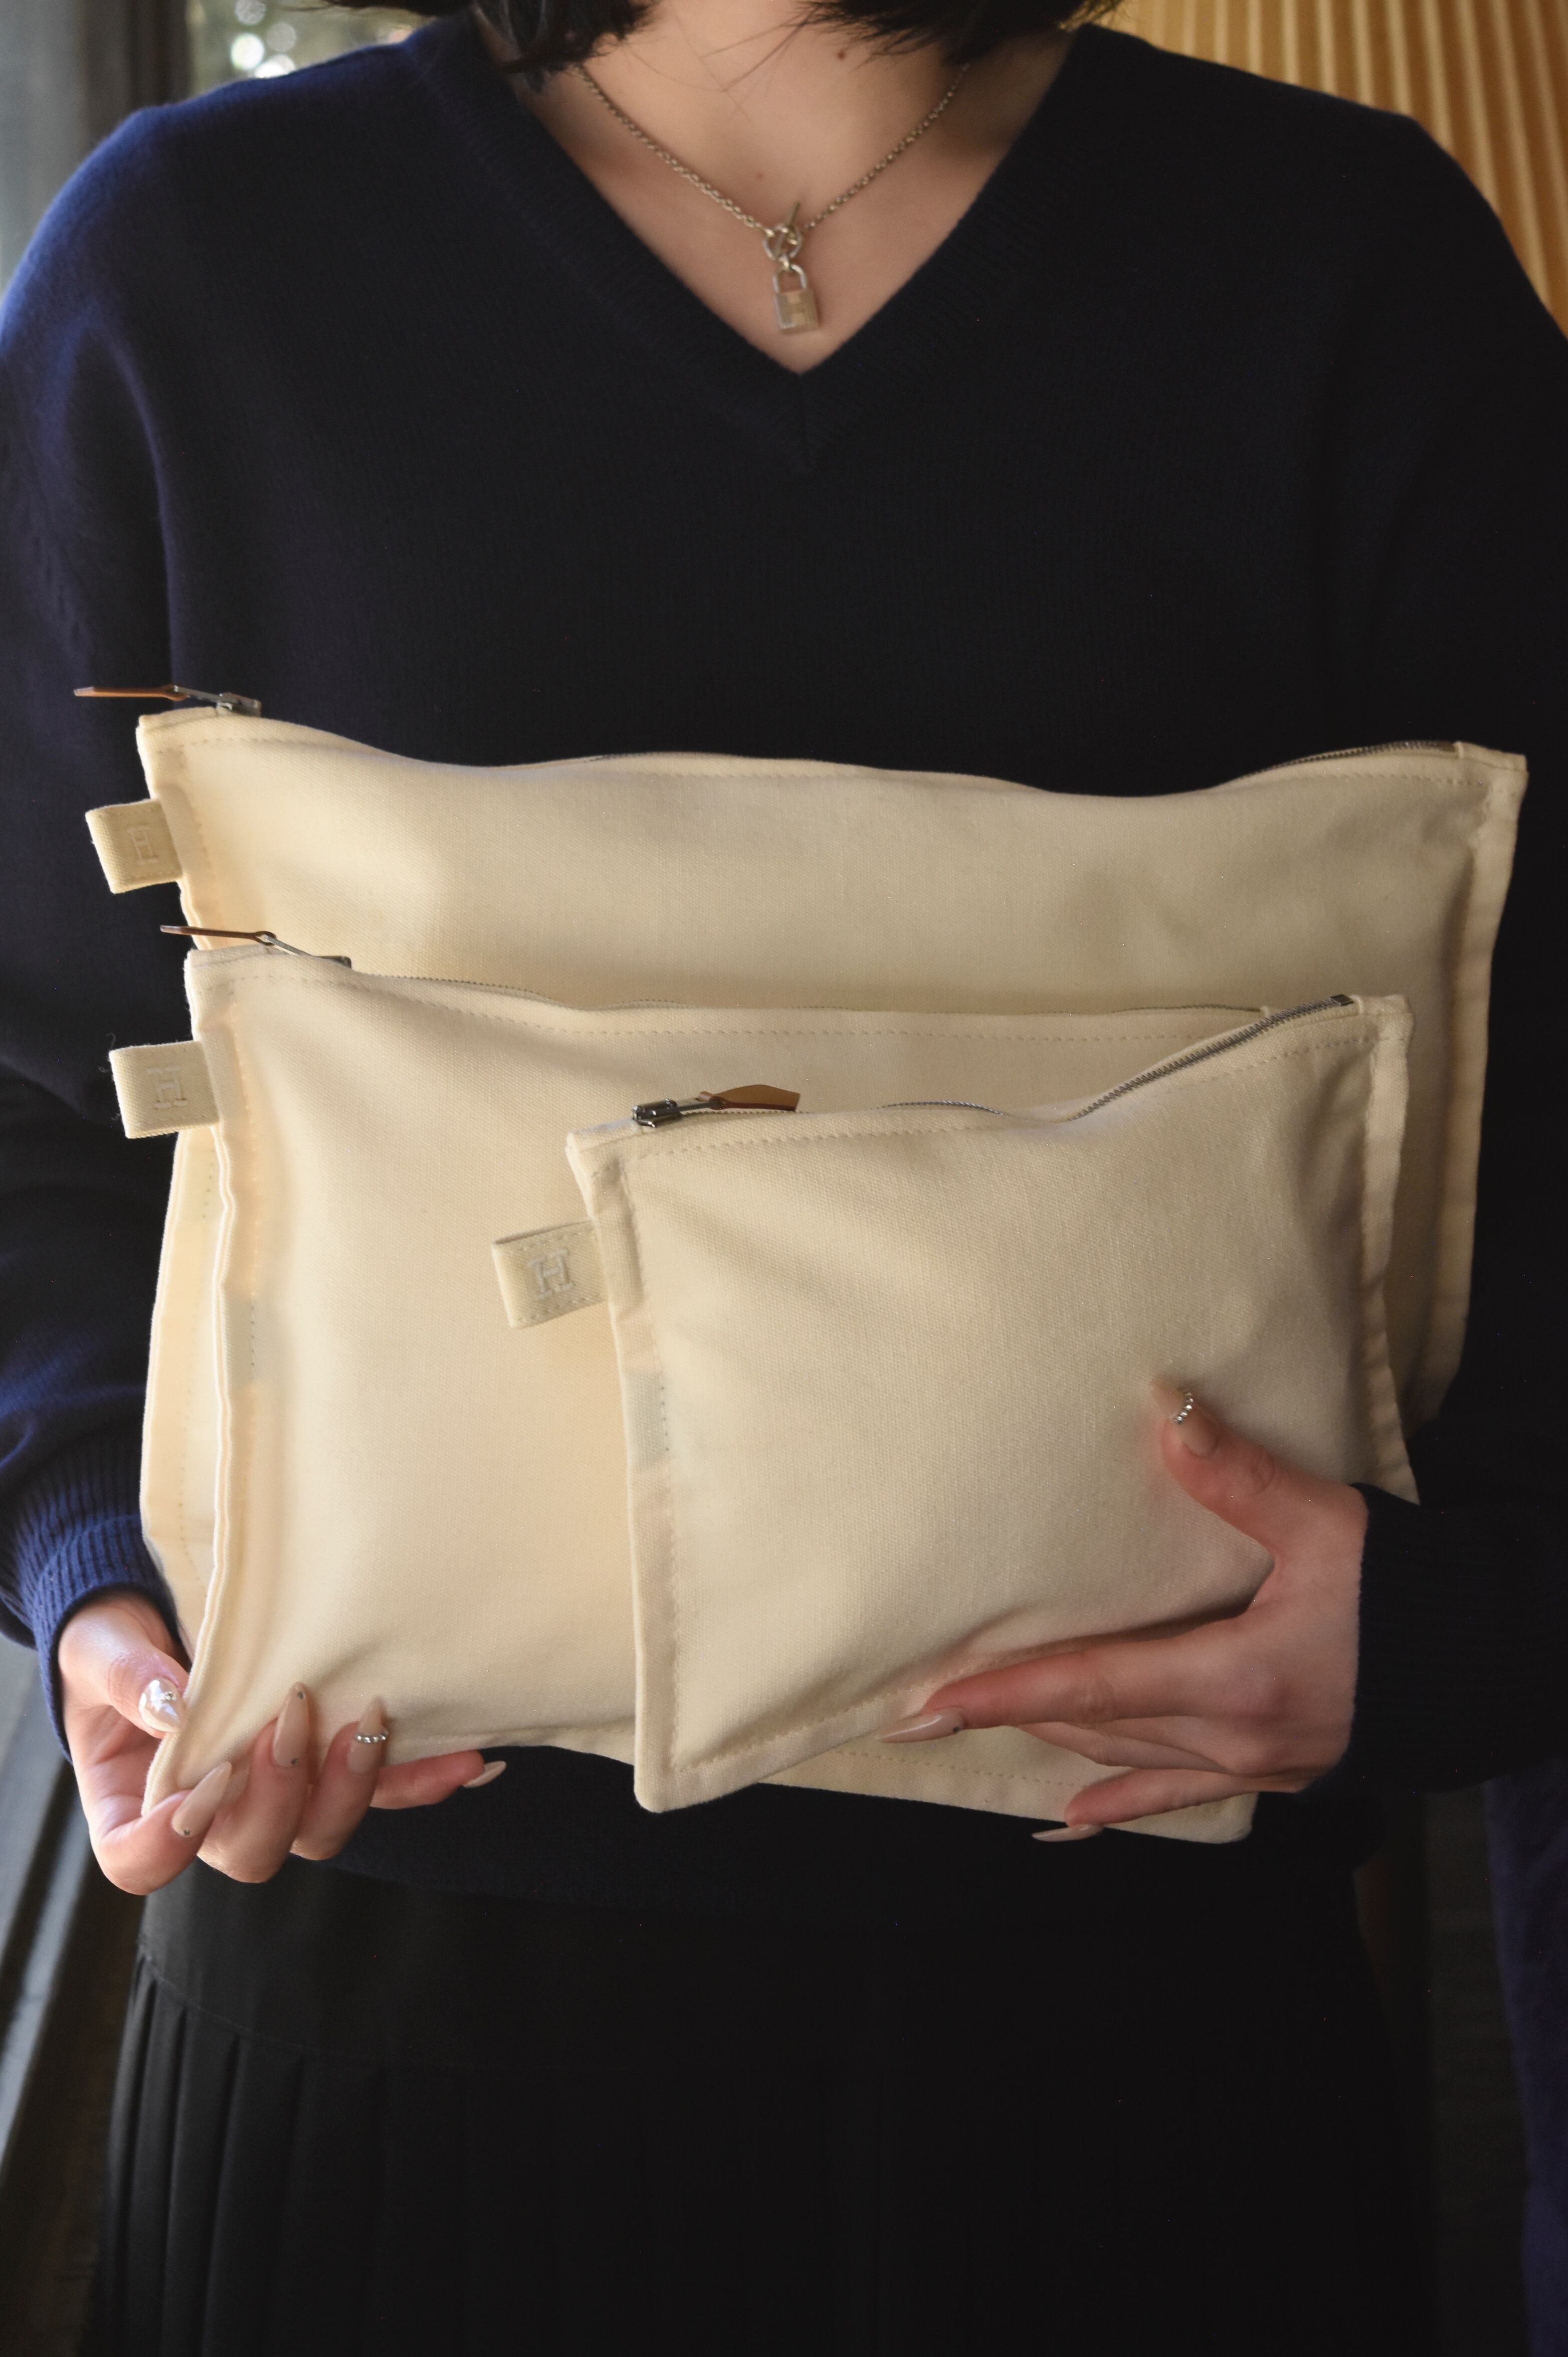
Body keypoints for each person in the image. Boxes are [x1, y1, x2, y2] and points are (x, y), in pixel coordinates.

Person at [1, 2, 1564, 2348]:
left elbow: (1540, 1106)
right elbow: (29, 1095)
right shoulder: (191, 268)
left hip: (1154, 2047)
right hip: (384, 2039)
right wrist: (96, 1576)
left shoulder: (1344, 269)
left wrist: (1460, 1624)